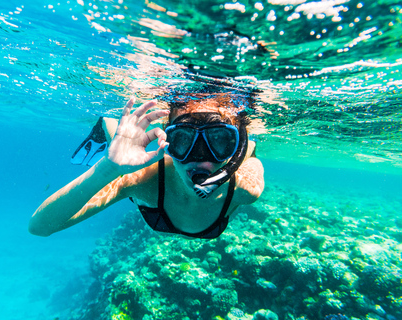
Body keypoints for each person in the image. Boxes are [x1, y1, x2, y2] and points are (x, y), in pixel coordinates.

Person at [29, 90, 264, 239]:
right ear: (167, 138)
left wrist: (247, 151)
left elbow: (250, 161)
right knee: (122, 148)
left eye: (220, 141)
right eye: (183, 139)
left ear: (236, 145)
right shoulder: (142, 178)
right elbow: (40, 227)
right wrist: (108, 169)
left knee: (250, 151)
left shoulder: (244, 187)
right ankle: (107, 125)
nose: (200, 157)